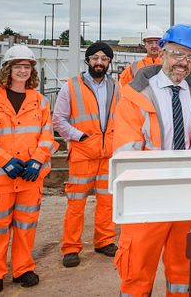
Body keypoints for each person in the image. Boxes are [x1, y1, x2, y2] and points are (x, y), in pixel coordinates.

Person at [113, 24, 191, 297]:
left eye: (190, 57)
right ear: (162, 52)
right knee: (136, 269)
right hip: (146, 199)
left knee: (183, 271)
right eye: (176, 54)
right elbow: (127, 150)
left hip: (185, 197)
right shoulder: (136, 96)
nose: (182, 63)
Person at [0, 45, 58, 294]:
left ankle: (23, 269)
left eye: (27, 67)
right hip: (0, 178)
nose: (22, 71)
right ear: (7, 69)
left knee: (26, 226)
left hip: (30, 177)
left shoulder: (39, 102)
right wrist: (4, 161)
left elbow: (47, 136)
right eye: (17, 66)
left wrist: (38, 160)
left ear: (32, 71)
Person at [53, 42, 119, 268]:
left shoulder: (116, 87)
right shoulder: (70, 86)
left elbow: (123, 118)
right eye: (95, 58)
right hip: (82, 154)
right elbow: (58, 120)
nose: (99, 62)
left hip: (107, 155)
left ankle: (104, 241)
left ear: (109, 62)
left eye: (104, 58)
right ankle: (71, 248)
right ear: (88, 60)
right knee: (76, 204)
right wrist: (79, 136)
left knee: (107, 201)